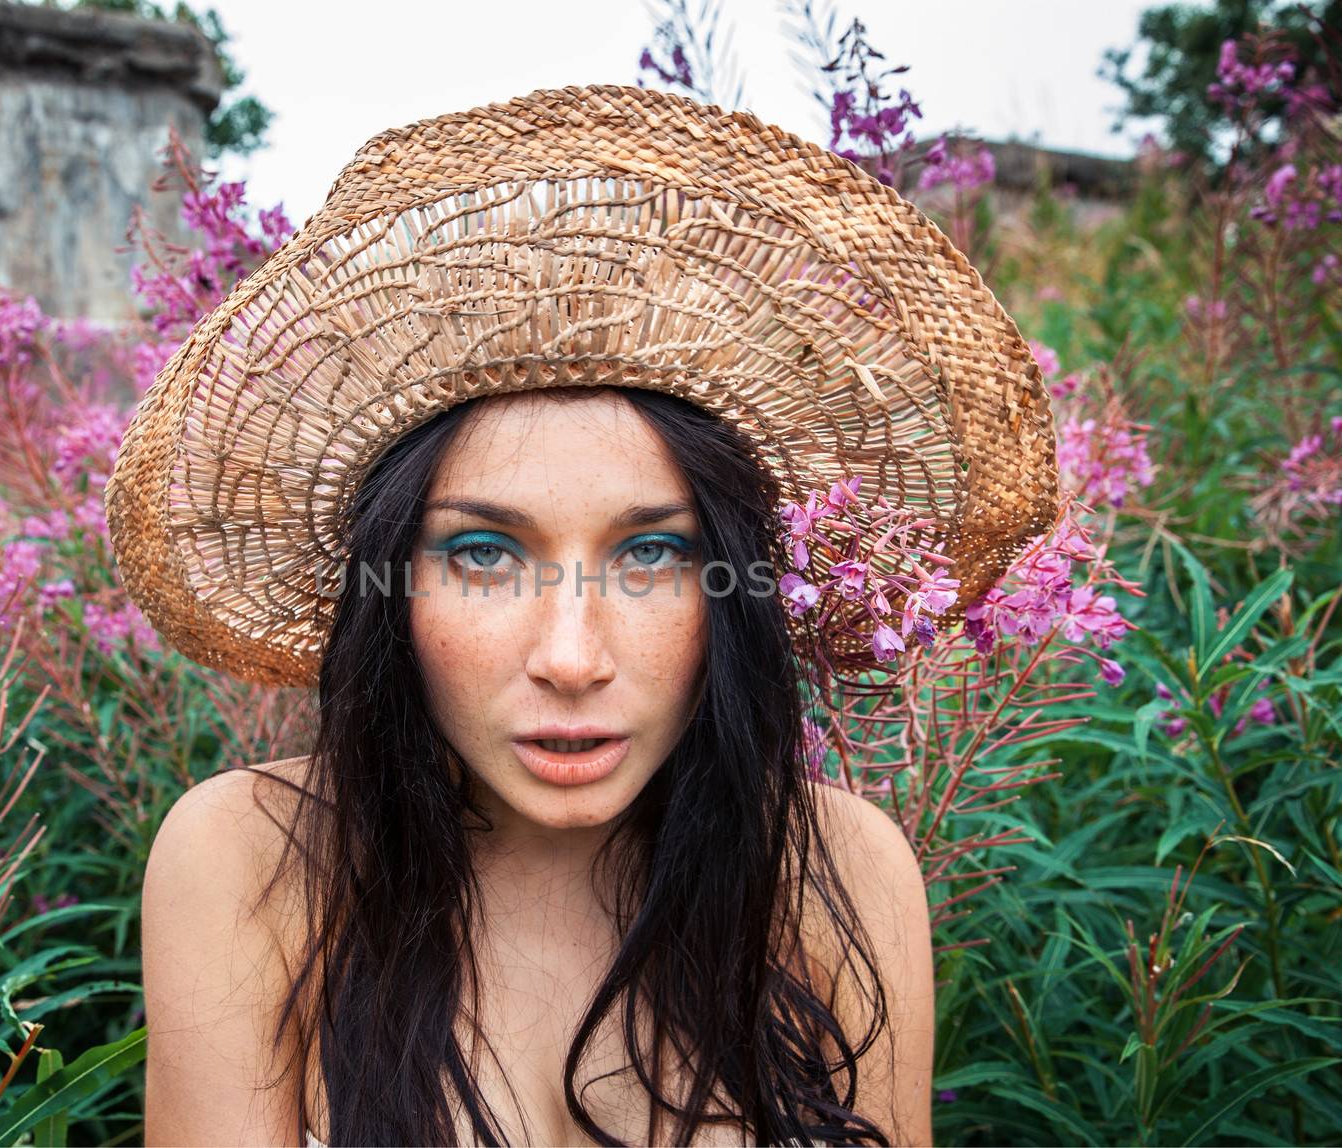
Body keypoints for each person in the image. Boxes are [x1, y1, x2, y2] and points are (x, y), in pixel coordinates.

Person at [108, 85, 1059, 1147]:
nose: (570, 657)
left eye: (653, 551)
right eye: (482, 552)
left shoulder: (838, 871)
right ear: (392, 588)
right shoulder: (252, 861)